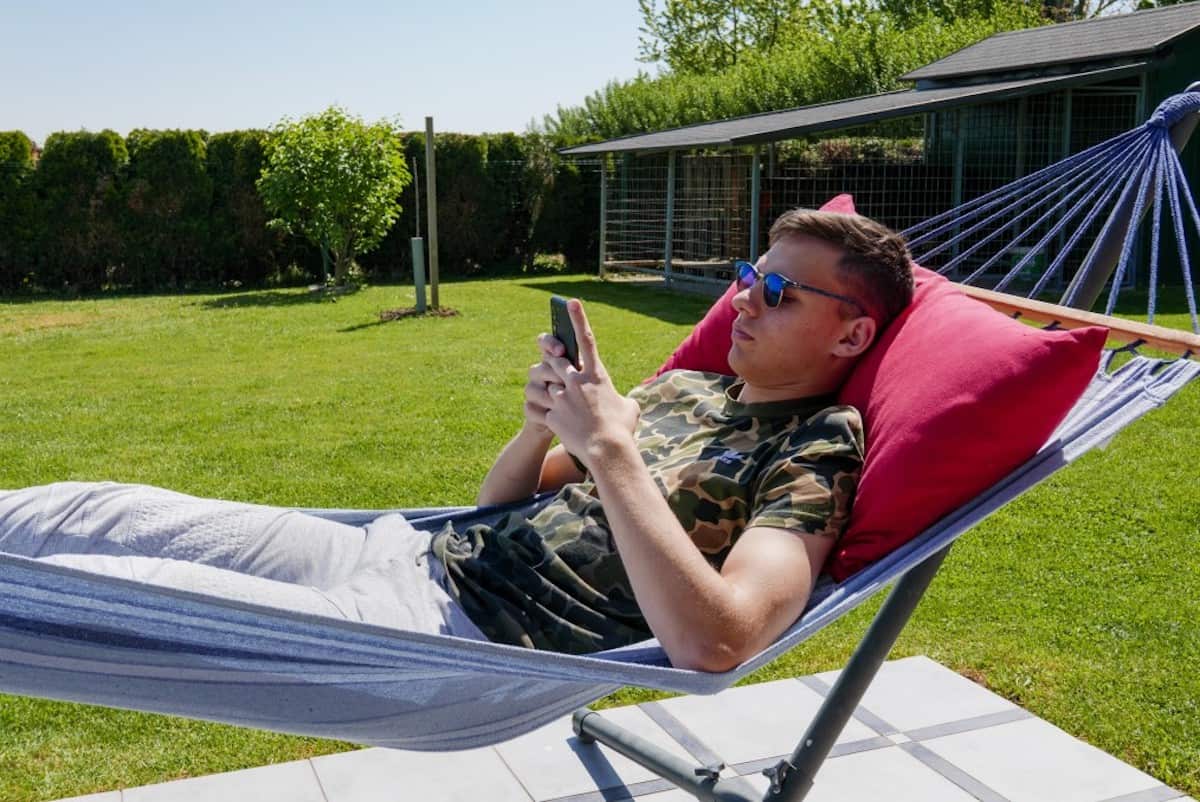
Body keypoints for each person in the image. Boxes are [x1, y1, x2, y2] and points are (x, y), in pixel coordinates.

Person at [0, 210, 912, 673]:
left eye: (779, 294)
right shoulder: (686, 385)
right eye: (751, 275)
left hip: (460, 640)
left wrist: (614, 451)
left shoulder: (818, 442)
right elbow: (500, 504)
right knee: (96, 509)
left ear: (852, 336)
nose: (742, 299)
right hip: (415, 553)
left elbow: (722, 642)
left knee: (115, 600)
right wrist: (542, 427)